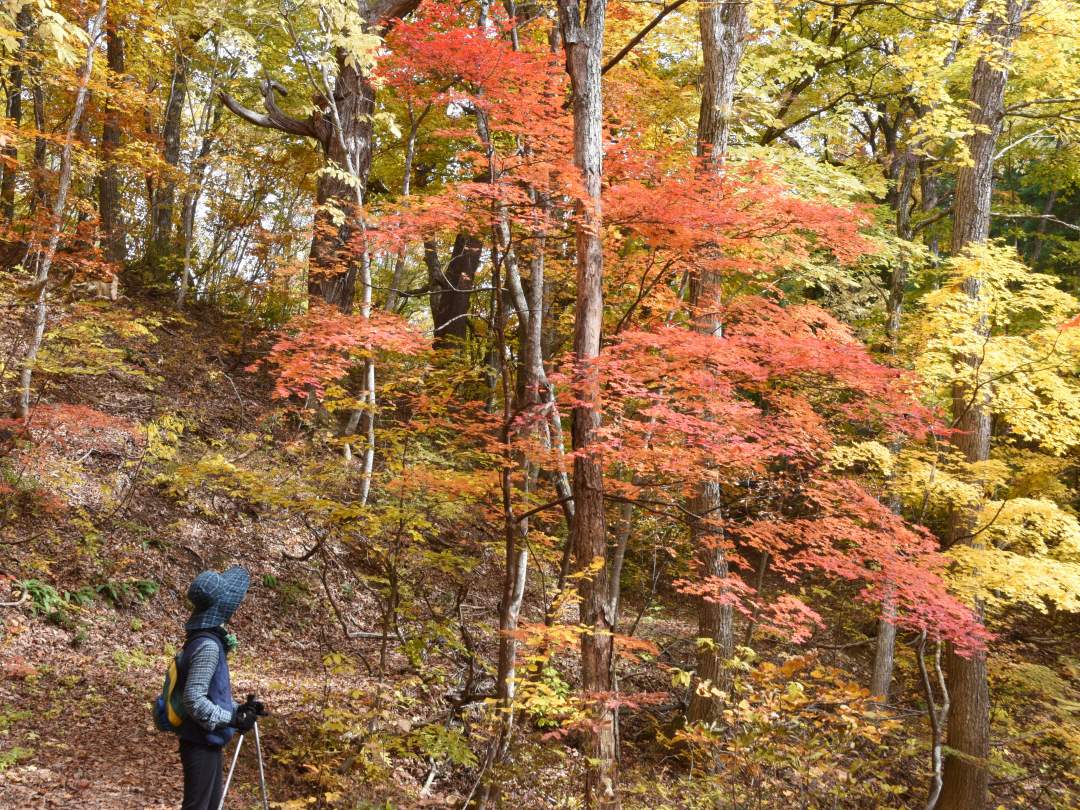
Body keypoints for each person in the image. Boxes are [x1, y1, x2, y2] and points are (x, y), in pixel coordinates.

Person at [177, 566, 264, 810]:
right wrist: (232, 719)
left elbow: (210, 694)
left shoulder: (203, 640)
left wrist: (241, 709)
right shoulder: (208, 646)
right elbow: (193, 699)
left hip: (206, 742)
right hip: (200, 743)